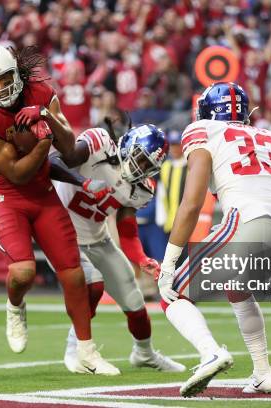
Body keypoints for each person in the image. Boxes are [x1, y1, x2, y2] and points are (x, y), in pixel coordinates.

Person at [0, 44, 118, 374]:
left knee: (75, 277)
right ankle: (15, 306)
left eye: (2, 79)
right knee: (23, 273)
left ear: (15, 74)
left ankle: (87, 352)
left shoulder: (41, 92)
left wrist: (45, 115)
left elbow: (71, 148)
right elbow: (18, 173)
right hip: (10, 198)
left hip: (45, 195)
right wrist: (44, 141)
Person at [157, 82, 271, 397]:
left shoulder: (203, 131)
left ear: (207, 111)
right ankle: (264, 373)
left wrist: (168, 263)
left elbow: (192, 203)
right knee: (237, 287)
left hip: (247, 223)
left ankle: (210, 353)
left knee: (172, 294)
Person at [51, 124, 185, 374]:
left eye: (148, 167)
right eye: (140, 160)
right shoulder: (98, 144)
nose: (141, 169)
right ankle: (75, 350)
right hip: (60, 234)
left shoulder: (142, 188)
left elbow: (127, 230)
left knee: (134, 301)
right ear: (127, 145)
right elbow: (53, 162)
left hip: (98, 238)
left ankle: (144, 354)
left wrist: (142, 259)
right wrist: (83, 181)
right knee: (93, 284)